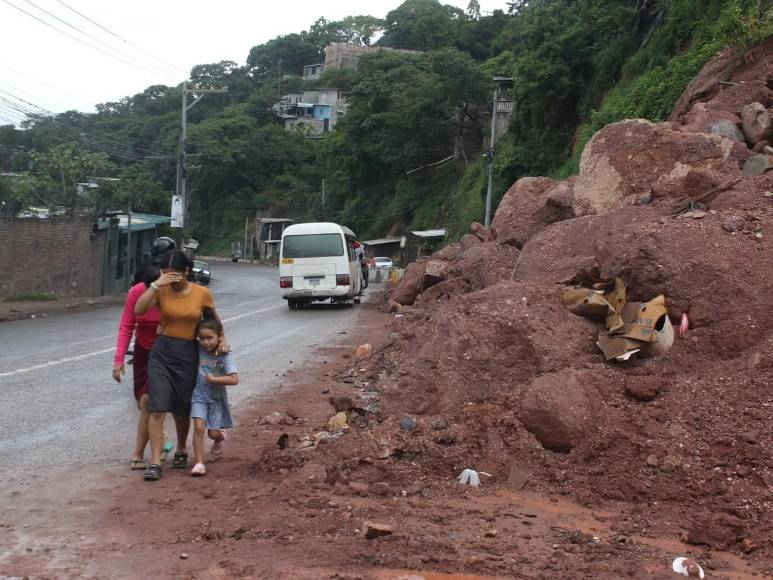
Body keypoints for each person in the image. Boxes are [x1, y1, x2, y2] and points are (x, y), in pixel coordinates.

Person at [135, 250, 229, 482]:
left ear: (187, 271)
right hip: (162, 352)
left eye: (174, 274)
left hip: (188, 352)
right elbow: (139, 309)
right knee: (157, 406)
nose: (170, 278)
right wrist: (157, 285)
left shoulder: (201, 294)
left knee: (181, 407)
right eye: (166, 274)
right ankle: (155, 462)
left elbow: (214, 321)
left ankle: (182, 448)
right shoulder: (161, 290)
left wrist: (223, 340)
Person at [112, 263, 173, 470]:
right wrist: (118, 360)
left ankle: (138, 455)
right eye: (149, 288)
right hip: (142, 351)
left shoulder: (171, 293)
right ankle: (163, 440)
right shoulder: (136, 293)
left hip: (165, 351)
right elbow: (126, 326)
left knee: (148, 402)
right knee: (142, 403)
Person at [189, 308, 239, 477]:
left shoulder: (224, 355)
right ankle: (199, 463)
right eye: (202, 338)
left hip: (216, 399)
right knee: (198, 427)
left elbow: (234, 379)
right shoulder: (198, 348)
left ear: (219, 337)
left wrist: (214, 380)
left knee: (212, 433)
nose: (206, 342)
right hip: (199, 396)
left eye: (210, 338)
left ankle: (219, 437)